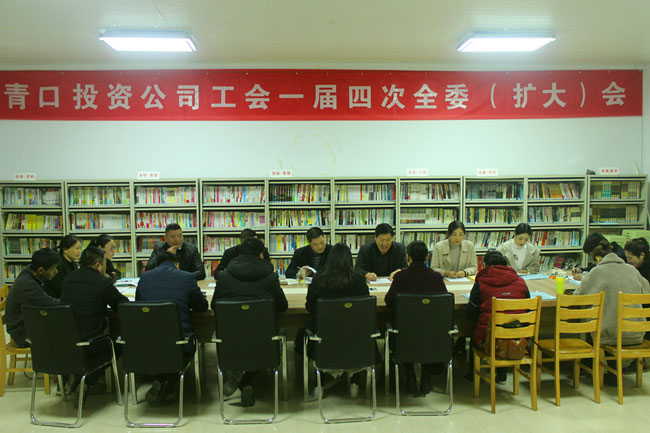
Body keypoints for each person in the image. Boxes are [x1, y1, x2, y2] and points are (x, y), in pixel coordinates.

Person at [211, 237, 287, 407]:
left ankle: (242, 378)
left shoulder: (224, 276)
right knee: (262, 342)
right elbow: (283, 306)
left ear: (239, 253)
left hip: (231, 340)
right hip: (263, 341)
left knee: (243, 342)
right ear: (261, 255)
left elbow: (214, 305)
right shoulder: (270, 277)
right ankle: (247, 381)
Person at [574, 238, 650, 385]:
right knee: (611, 317)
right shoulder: (632, 270)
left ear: (598, 258)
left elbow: (579, 296)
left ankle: (590, 366)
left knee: (596, 320)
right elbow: (646, 291)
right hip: (636, 334)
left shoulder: (597, 271)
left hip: (610, 336)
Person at [60, 246, 130, 406]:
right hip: (91, 343)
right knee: (120, 343)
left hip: (66, 342)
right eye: (105, 263)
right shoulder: (101, 282)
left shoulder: (69, 279)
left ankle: (80, 377)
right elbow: (123, 305)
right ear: (98, 265)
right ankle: (87, 380)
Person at [136, 252, 209, 404]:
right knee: (175, 346)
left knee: (164, 347)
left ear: (157, 266)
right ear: (177, 265)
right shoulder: (187, 277)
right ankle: (167, 382)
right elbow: (201, 307)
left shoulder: (144, 277)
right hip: (179, 345)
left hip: (147, 344)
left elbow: (138, 305)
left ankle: (161, 381)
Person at [301, 242, 370, 398]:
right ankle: (354, 381)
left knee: (304, 333)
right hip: (354, 338)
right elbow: (364, 307)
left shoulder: (319, 279)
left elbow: (310, 307)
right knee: (351, 333)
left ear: (329, 260)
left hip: (325, 337)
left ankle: (322, 380)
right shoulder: (359, 280)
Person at [384, 240, 448, 396]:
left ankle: (410, 374)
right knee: (426, 332)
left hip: (405, 336)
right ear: (427, 258)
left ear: (408, 257)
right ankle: (426, 375)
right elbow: (444, 303)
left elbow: (389, 301)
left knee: (405, 331)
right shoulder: (436, 277)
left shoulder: (401, 277)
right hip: (432, 336)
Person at [466, 250, 530, 384]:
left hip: (489, 339)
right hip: (517, 337)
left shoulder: (481, 283)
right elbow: (528, 311)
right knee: (506, 329)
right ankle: (501, 374)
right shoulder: (521, 282)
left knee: (474, 335)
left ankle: (472, 376)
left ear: (485, 265)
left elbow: (471, 313)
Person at [5, 248, 61, 348]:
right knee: (67, 333)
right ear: (41, 270)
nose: (56, 272)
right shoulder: (28, 285)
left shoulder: (29, 273)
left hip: (26, 324)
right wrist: (71, 300)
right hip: (22, 334)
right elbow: (49, 304)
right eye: (53, 269)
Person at [42, 234, 81, 298]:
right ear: (65, 250)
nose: (79, 251)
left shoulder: (72, 263)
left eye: (80, 248)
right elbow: (61, 289)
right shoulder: (57, 264)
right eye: (77, 248)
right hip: (56, 300)